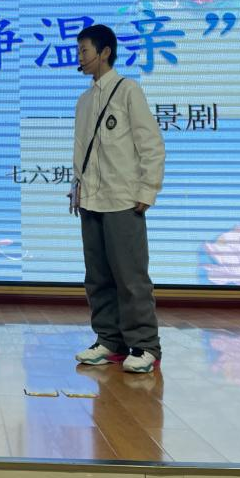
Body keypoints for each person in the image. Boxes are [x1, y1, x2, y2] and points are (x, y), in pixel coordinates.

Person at [69, 24, 165, 374]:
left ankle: (145, 346)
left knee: (130, 277)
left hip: (123, 199)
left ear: (105, 52)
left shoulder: (128, 90)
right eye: (79, 51)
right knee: (97, 277)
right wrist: (77, 187)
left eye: (84, 50)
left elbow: (151, 144)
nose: (79, 57)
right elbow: (82, 151)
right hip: (90, 200)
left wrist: (147, 190)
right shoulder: (84, 101)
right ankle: (109, 340)